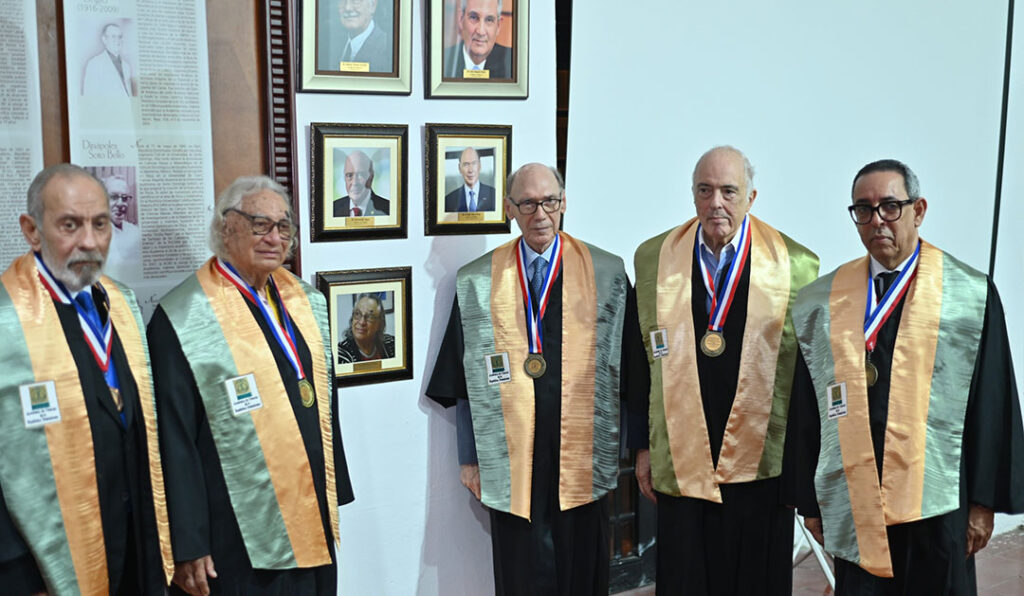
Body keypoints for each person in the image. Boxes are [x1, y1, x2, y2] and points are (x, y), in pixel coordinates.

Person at [785, 159, 1024, 594]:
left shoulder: (967, 294)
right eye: (864, 209)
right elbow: (807, 404)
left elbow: (992, 403)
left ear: (918, 210)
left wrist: (982, 504)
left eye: (890, 206)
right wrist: (812, 502)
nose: (877, 220)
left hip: (938, 502)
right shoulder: (824, 301)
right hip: (858, 499)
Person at [427, 162, 647, 595]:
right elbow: (466, 379)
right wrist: (468, 458)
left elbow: (634, 372)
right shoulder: (477, 281)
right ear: (510, 208)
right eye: (527, 203)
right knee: (521, 572)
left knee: (584, 569)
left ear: (564, 203)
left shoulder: (607, 273)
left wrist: (634, 447)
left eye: (549, 201)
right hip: (510, 456)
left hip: (585, 454)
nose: (540, 213)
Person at [147, 176, 354, 595]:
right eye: (260, 224)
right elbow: (173, 439)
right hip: (234, 529)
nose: (274, 238)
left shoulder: (304, 300)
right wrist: (188, 543)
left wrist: (333, 488)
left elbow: (322, 404)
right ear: (227, 227)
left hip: (308, 507)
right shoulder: (185, 317)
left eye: (284, 227)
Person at [631, 146, 819, 595]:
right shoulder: (656, 260)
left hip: (761, 468)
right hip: (682, 456)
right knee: (684, 577)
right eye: (706, 190)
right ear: (693, 195)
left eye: (729, 191)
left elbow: (806, 382)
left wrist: (798, 474)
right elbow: (639, 365)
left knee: (755, 578)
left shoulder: (795, 266)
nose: (717, 202)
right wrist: (643, 448)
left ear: (751, 197)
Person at [0, 164, 172, 594]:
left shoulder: (120, 303)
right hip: (43, 566)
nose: (90, 242)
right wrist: (20, 574)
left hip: (133, 544)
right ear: (32, 230)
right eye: (70, 225)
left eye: (100, 224)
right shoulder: (7, 321)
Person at [443, 0, 512, 79]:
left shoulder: (513, 64)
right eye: (474, 17)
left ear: (498, 26)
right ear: (461, 19)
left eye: (489, 20)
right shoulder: (441, 62)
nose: (481, 31)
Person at [318, 0, 393, 73]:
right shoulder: (330, 47)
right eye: (342, 1)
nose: (347, 8)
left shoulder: (388, 48)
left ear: (372, 5)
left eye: (355, 1)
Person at [102, 174, 142, 281]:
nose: (120, 204)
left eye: (124, 198)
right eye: (114, 197)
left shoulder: (135, 232)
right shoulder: (92, 234)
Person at [337, 293, 396, 363]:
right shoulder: (341, 354)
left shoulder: (392, 343)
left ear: (379, 324)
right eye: (357, 314)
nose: (362, 322)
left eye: (370, 317)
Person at [82, 23, 135, 96]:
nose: (117, 40)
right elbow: (89, 96)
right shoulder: (94, 64)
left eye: (120, 37)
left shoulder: (127, 66)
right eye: (113, 36)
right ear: (104, 39)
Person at [332, 150, 390, 217]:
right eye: (349, 175)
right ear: (344, 178)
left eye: (361, 175)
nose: (354, 182)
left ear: (371, 177)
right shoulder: (333, 209)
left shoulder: (388, 209)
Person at [444, 147, 496, 213]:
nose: (470, 170)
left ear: (479, 166)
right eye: (466, 164)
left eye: (474, 163)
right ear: (459, 168)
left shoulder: (494, 195)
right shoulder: (449, 200)